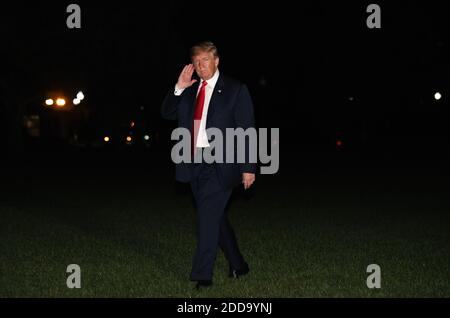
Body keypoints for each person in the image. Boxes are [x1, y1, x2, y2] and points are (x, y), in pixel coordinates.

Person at [161, 41, 256, 289]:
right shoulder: (190, 90)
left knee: (206, 219)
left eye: (204, 60)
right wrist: (179, 88)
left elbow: (247, 130)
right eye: (196, 62)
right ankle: (238, 264)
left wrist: (248, 167)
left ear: (216, 61)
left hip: (222, 164)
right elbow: (166, 112)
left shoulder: (236, 89)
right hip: (193, 163)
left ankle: (202, 275)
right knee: (214, 217)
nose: (200, 66)